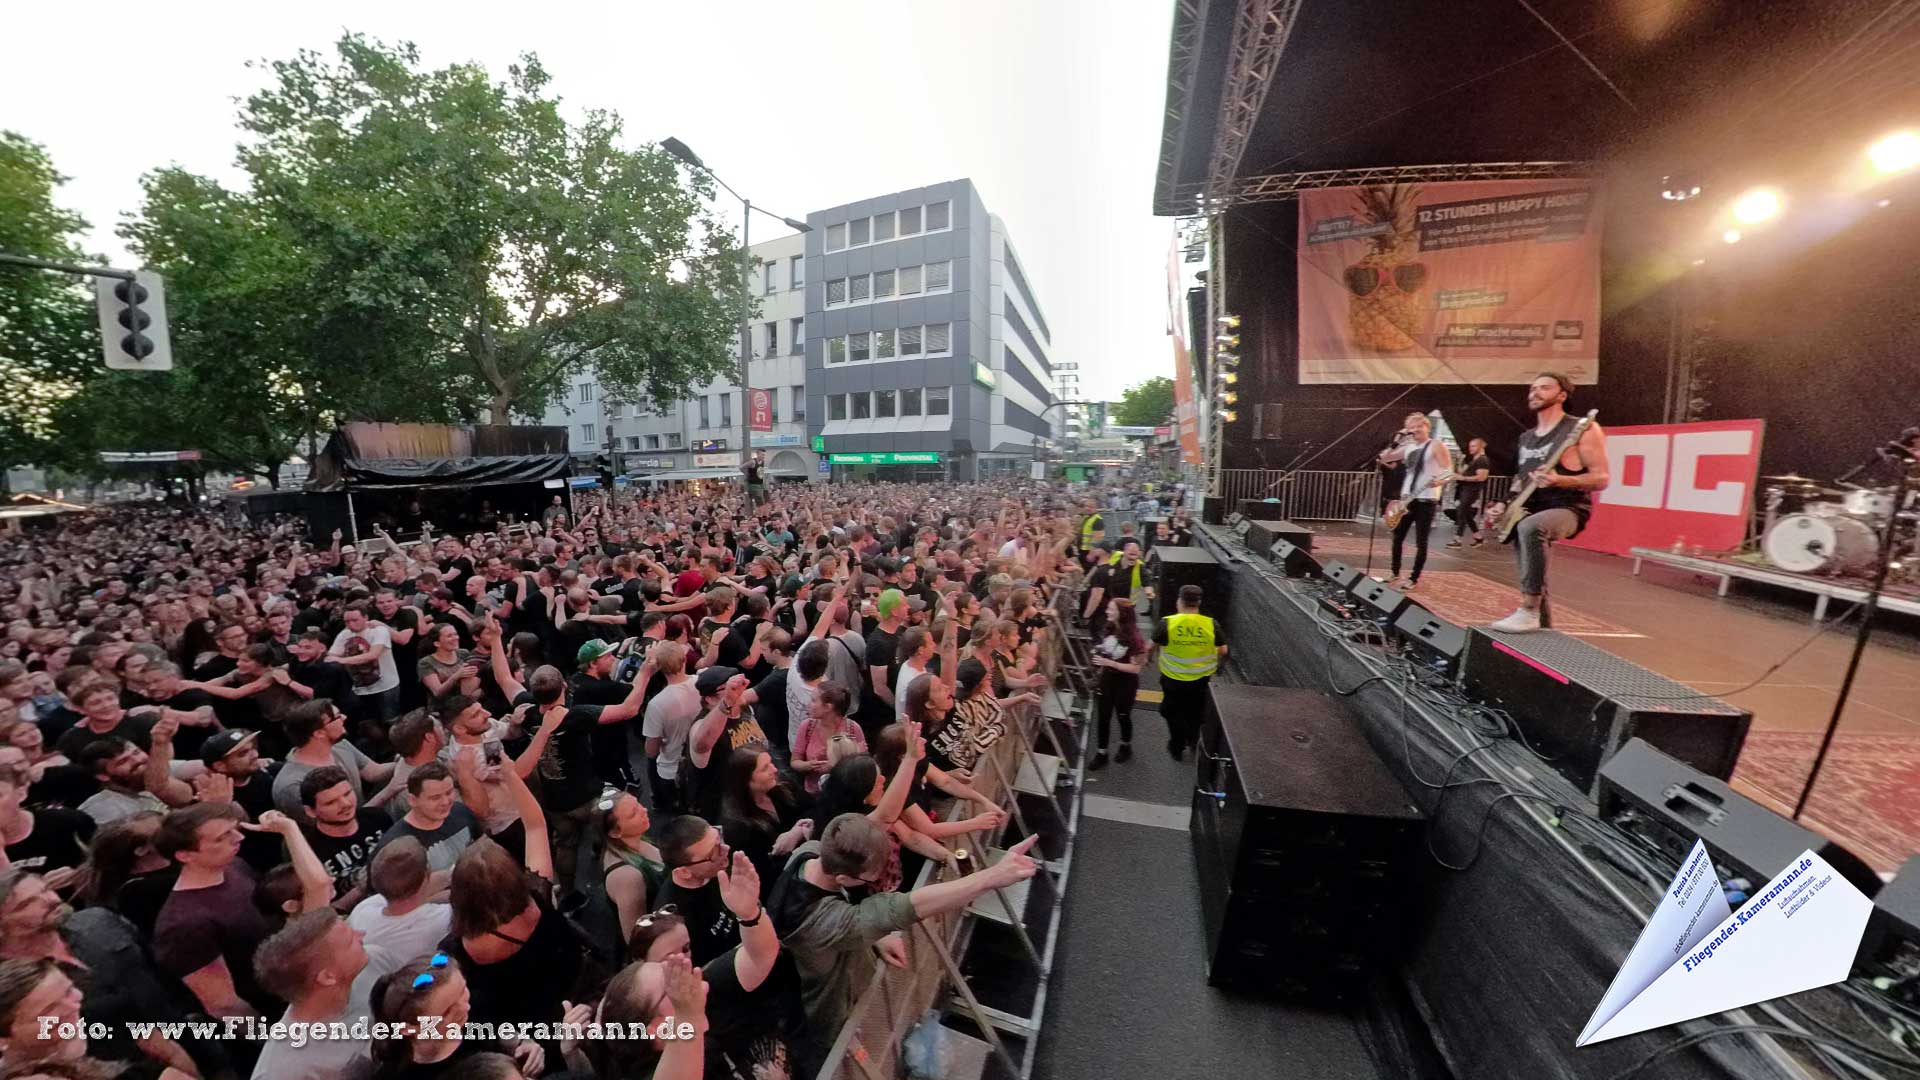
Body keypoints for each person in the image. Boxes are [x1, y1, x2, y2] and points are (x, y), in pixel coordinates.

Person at [767, 814, 1040, 1036]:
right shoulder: (824, 922)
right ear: (842, 878)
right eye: (869, 880)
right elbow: (912, 905)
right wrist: (992, 876)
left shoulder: (810, 853)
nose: (874, 883)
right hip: (834, 1014)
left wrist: (874, 937)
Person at [1490, 373, 1610, 632]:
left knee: (1531, 528)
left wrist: (1560, 481)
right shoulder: (1527, 438)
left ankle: (1528, 609)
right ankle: (1542, 631)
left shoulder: (1581, 428)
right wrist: (1503, 504)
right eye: (1533, 388)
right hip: (1528, 509)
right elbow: (1521, 481)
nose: (1535, 392)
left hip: (1568, 508)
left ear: (1562, 395)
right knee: (1533, 575)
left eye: (1544, 388)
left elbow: (1602, 478)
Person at [250, 907, 405, 1080]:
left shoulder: (375, 960)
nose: (361, 935)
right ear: (327, 976)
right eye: (350, 940)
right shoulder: (283, 1071)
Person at [272, 700, 394, 818]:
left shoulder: (340, 745)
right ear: (319, 733)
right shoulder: (291, 785)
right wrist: (390, 790)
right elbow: (336, 824)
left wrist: (405, 761)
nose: (344, 717)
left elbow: (373, 772)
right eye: (337, 717)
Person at [716, 746, 812, 897]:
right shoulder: (738, 827)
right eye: (765, 768)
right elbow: (763, 875)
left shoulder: (782, 787)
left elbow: (813, 809)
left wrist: (797, 832)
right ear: (747, 780)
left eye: (771, 763)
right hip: (782, 889)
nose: (774, 769)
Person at [1377, 411, 1452, 590]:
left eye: (1419, 426)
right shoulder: (1409, 447)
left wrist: (1440, 481)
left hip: (1426, 498)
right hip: (1406, 499)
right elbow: (1385, 457)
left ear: (1427, 427)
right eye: (1411, 427)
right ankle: (1394, 572)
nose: (1415, 430)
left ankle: (1413, 578)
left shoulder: (1436, 445)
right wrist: (1396, 441)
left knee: (1421, 541)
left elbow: (1448, 469)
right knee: (1397, 537)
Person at [349, 837, 454, 963]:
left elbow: (406, 891)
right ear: (427, 874)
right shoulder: (445, 919)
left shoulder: (363, 910)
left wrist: (451, 875)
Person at [298, 765, 391, 904]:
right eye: (331, 802)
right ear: (311, 811)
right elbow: (322, 910)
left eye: (347, 794)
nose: (345, 804)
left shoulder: (377, 818)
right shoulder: (310, 853)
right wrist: (361, 888)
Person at [1152, 584, 1225, 761]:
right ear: (1198, 602)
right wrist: (1218, 667)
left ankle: (1177, 747)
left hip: (1173, 680)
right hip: (1200, 681)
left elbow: (1152, 645)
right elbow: (1222, 650)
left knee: (1172, 713)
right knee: (1195, 713)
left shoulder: (1167, 623)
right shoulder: (1210, 624)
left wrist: (1150, 659)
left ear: (1179, 601)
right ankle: (1193, 741)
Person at [378, 763, 484, 872]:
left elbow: (484, 849)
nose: (445, 802)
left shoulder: (461, 812)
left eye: (449, 793)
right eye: (435, 798)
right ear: (412, 800)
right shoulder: (394, 846)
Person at [595, 791, 666, 946]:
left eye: (638, 804)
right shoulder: (627, 877)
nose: (644, 810)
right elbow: (635, 935)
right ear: (615, 832)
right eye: (634, 814)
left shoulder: (633, 841)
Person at [1088, 597, 1147, 769]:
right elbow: (1108, 652)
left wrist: (1110, 663)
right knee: (1103, 717)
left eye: (1111, 609)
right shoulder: (1109, 628)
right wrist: (1100, 656)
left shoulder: (1135, 638)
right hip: (1108, 679)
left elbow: (1136, 668)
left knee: (1123, 716)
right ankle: (1101, 753)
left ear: (1122, 614)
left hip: (1126, 683)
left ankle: (1125, 746)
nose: (1107, 611)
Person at [328, 603, 402, 726]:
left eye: (355, 620)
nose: (350, 624)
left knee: (391, 721)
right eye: (347, 621)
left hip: (386, 686)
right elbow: (332, 655)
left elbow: (373, 654)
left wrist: (342, 660)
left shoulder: (379, 631)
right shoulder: (344, 634)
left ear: (365, 617)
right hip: (360, 689)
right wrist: (337, 658)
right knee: (368, 724)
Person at [790, 685, 865, 794]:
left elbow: (864, 765)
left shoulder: (853, 729)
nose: (809, 704)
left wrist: (834, 766)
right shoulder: (807, 726)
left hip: (845, 792)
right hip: (813, 793)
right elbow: (794, 762)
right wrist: (808, 765)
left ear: (828, 707)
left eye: (813, 700)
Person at [1447, 437, 1492, 548]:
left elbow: (1482, 477)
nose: (1470, 448)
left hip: (1472, 491)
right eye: (1470, 446)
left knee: (1462, 511)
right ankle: (1478, 537)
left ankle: (1458, 539)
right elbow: (1463, 472)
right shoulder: (1474, 460)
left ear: (1480, 447)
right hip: (1466, 490)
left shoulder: (1483, 460)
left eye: (1473, 446)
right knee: (1466, 514)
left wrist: (1463, 478)